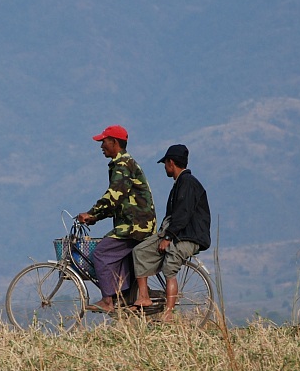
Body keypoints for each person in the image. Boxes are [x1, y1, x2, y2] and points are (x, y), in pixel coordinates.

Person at [76, 125, 156, 313]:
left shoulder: (123, 165)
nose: (101, 145)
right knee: (118, 257)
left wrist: (92, 213)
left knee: (100, 253)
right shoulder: (122, 164)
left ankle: (107, 300)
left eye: (104, 141)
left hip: (135, 226)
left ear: (115, 142)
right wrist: (95, 217)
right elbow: (118, 201)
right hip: (134, 223)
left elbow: (113, 196)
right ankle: (126, 296)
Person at [132, 143, 211, 322]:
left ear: (171, 163)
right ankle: (144, 296)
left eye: (165, 164)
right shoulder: (180, 183)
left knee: (170, 265)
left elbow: (183, 215)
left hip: (188, 235)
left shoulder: (188, 183)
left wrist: (168, 237)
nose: (165, 168)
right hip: (176, 232)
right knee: (140, 251)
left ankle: (168, 313)